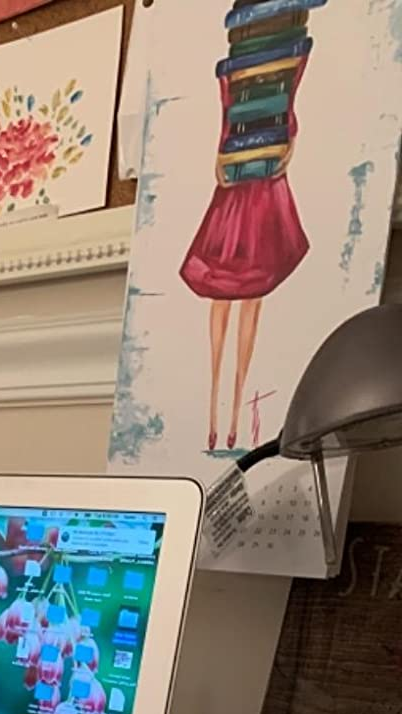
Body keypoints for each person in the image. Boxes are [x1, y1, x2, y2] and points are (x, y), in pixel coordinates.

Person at [180, 22, 314, 451]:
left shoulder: (259, 71)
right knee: (230, 297)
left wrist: (262, 152)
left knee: (243, 297)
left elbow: (279, 123)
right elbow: (273, 124)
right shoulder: (256, 74)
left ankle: (228, 417)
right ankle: (221, 416)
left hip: (253, 183)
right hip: (249, 183)